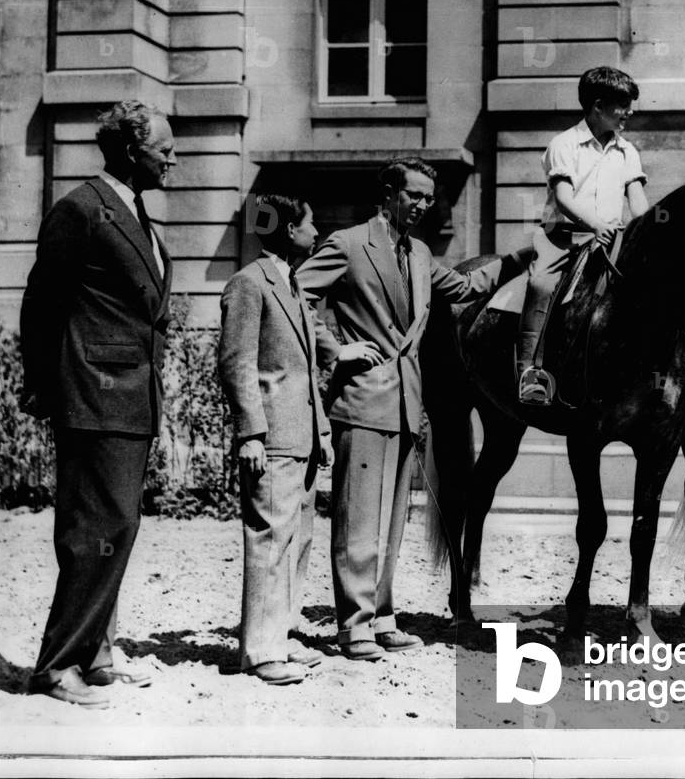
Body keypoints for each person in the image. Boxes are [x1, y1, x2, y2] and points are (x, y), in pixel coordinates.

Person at [297, 157, 528, 661]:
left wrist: (522, 256)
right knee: (359, 522)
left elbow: (466, 288)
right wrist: (335, 349)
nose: (422, 204)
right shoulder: (348, 243)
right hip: (362, 399)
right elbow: (295, 293)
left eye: (428, 197)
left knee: (391, 522)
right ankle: (353, 627)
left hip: (406, 402)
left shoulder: (420, 253)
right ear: (388, 192)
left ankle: (382, 618)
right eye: (414, 195)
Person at [19, 100, 176, 707]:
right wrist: (47, 387)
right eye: (164, 150)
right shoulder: (81, 209)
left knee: (117, 527)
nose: (173, 160)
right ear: (132, 151)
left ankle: (95, 655)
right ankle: (56, 667)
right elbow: (42, 303)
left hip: (131, 397)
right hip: (94, 394)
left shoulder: (136, 214)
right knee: (94, 531)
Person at [218, 195, 384, 685]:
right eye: (311, 223)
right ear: (290, 230)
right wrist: (250, 433)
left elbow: (307, 369)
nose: (317, 231)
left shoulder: (289, 283)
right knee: (270, 540)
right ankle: (260, 650)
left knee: (295, 542)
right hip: (271, 437)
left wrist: (323, 432)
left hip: (302, 437)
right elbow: (236, 363)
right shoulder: (249, 283)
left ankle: (282, 636)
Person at [517, 65, 650, 406]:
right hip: (564, 237)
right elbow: (564, 198)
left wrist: (648, 230)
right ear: (598, 106)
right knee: (541, 284)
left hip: (612, 237)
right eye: (623, 106)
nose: (630, 112)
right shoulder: (564, 144)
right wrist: (595, 225)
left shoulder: (627, 150)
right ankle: (530, 372)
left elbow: (637, 201)